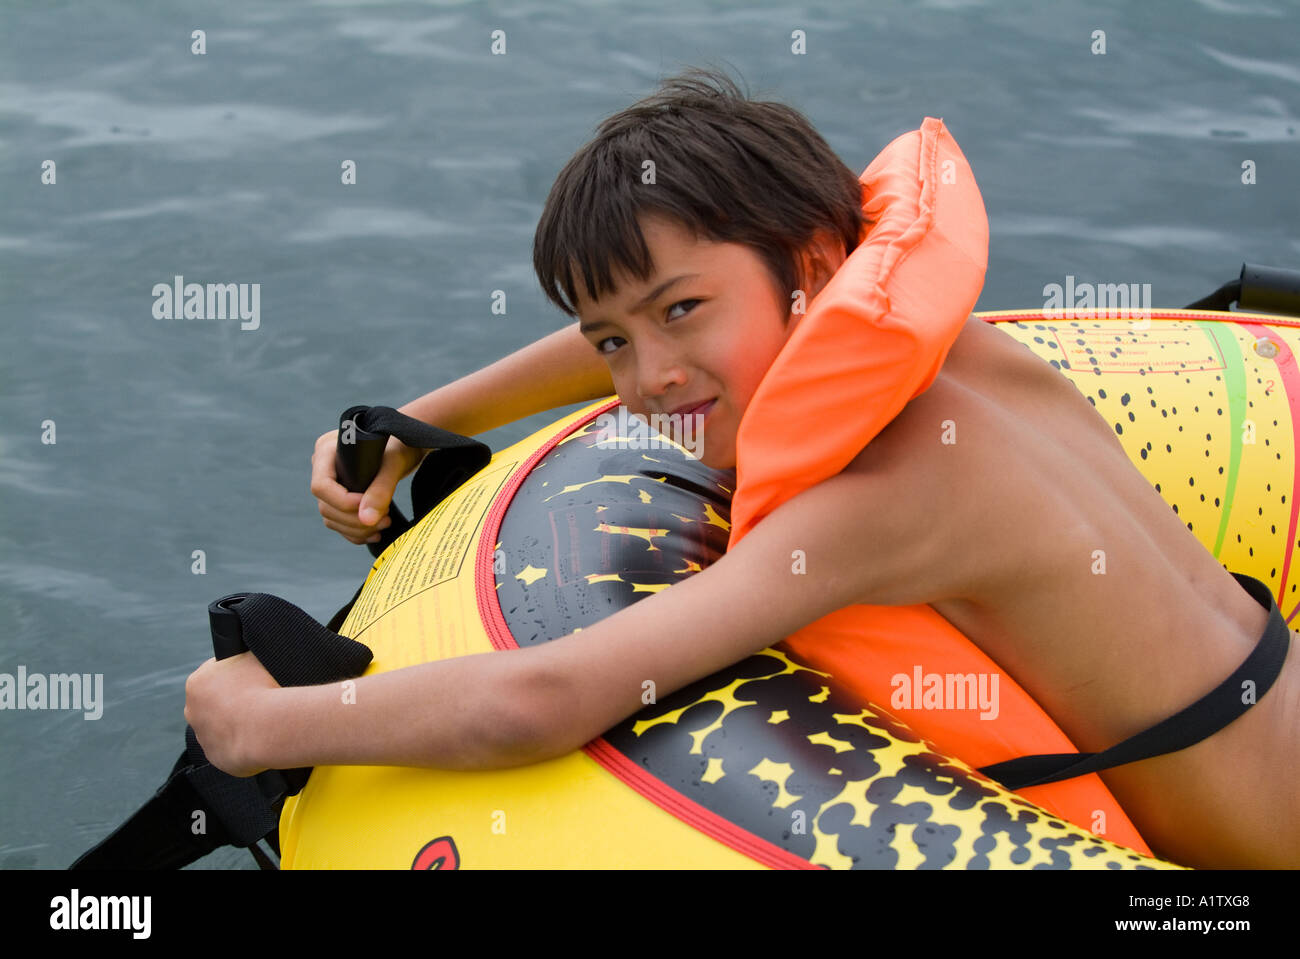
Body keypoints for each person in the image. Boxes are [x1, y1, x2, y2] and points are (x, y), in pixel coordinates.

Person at [186, 69, 1298, 869]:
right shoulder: (944, 336)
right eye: (617, 341)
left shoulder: (894, 498)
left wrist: (259, 727)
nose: (647, 377)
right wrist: (417, 420)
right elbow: (654, 316)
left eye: (680, 314)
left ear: (813, 271)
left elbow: (546, 696)